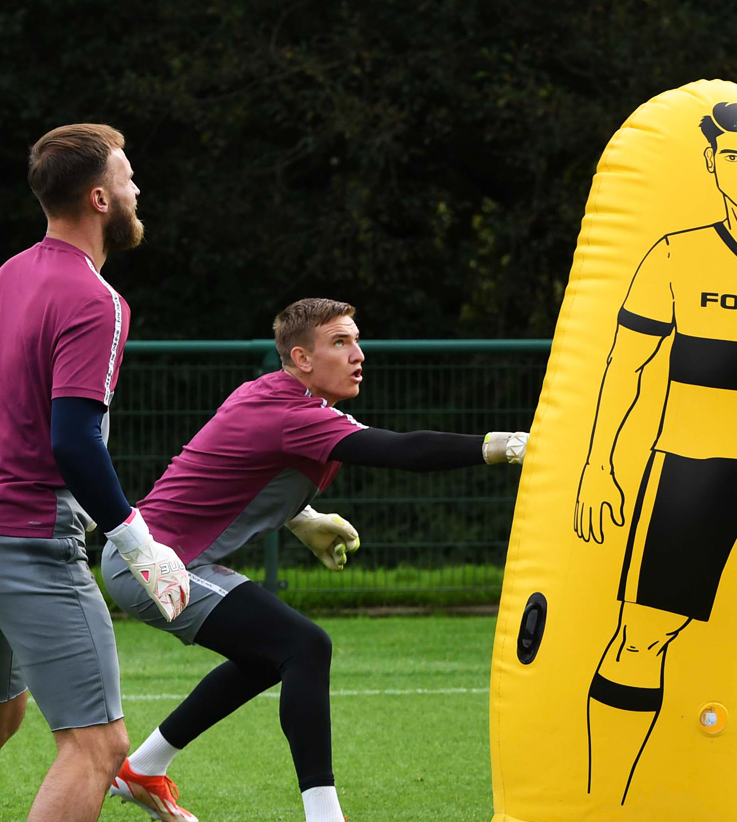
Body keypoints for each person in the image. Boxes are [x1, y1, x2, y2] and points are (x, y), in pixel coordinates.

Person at [102, 297, 529, 822]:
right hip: (151, 566)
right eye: (340, 342)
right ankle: (325, 817)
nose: (358, 354)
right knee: (304, 646)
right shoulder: (291, 411)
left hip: (167, 559)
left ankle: (142, 770)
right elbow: (406, 452)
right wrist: (510, 446)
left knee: (271, 656)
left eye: (356, 340)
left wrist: (301, 517)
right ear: (302, 358)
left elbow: (230, 470)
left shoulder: (280, 398)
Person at [0, 123, 190, 822]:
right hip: (25, 541)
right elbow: (74, 442)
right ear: (99, 199)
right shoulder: (98, 302)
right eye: (127, 177)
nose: (136, 188)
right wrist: (138, 542)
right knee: (98, 743)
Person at [573, 100, 737, 815]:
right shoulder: (676, 253)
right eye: (736, 159)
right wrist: (600, 467)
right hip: (687, 473)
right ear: (715, 167)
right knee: (640, 636)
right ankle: (604, 802)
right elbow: (623, 368)